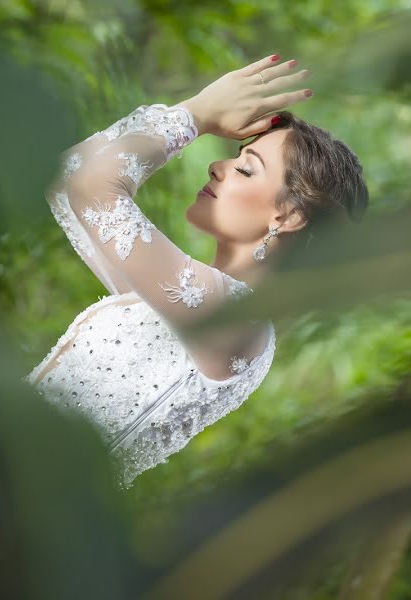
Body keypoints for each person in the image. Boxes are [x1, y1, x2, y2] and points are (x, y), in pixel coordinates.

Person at [25, 54, 368, 489]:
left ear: (287, 217)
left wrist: (198, 115)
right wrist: (192, 113)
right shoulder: (180, 302)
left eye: (245, 169)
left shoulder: (236, 319)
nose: (218, 166)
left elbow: (94, 190)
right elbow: (68, 179)